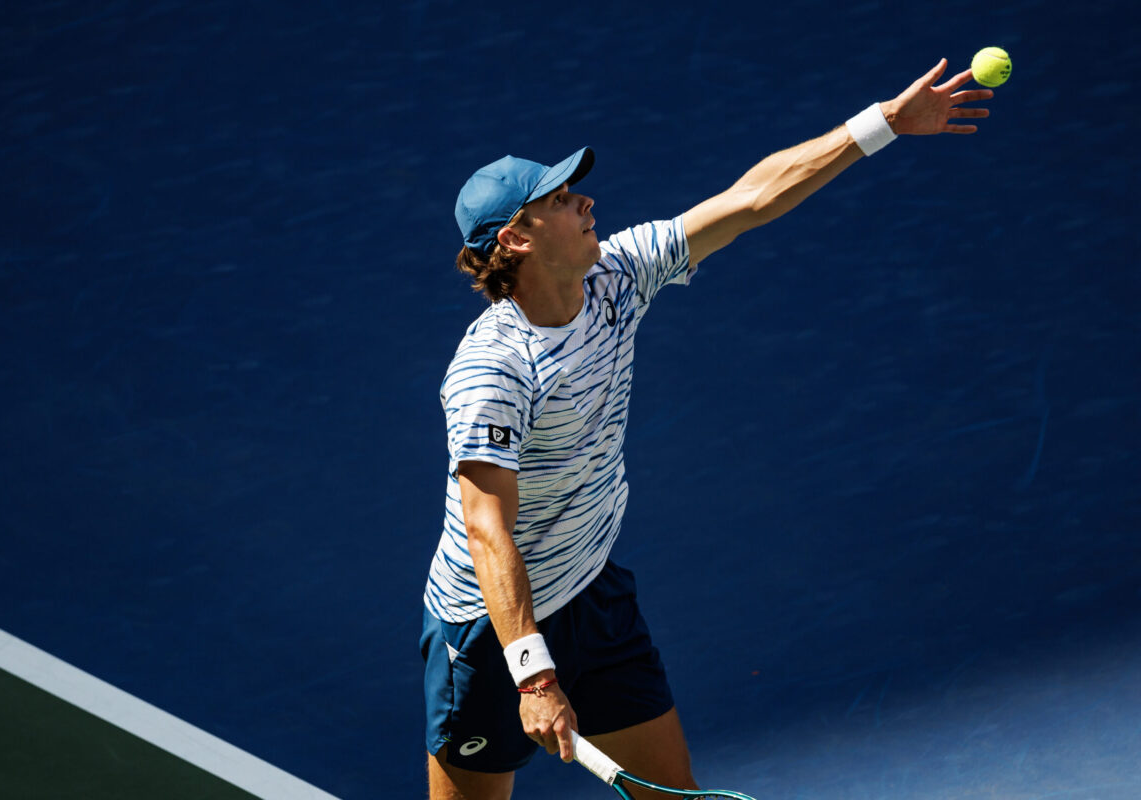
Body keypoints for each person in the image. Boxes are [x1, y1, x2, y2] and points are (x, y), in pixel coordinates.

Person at [421, 59, 992, 799]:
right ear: (517, 242)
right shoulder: (492, 370)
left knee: (671, 792)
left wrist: (882, 123)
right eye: (561, 201)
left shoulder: (617, 276)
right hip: (490, 630)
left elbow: (752, 199)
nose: (587, 201)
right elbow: (487, 529)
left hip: (591, 594)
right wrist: (531, 674)